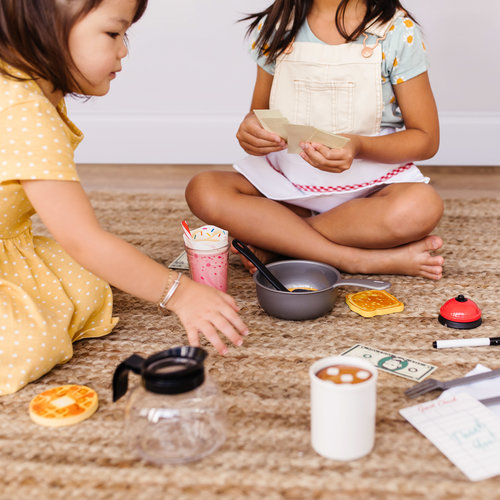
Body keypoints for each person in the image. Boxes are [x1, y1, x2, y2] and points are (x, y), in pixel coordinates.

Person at [0, 0, 248, 395]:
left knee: (88, 285)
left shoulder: (29, 90)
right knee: (31, 341)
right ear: (42, 28)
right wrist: (180, 293)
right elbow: (82, 239)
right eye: (113, 33)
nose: (124, 49)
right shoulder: (23, 111)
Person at [186, 0, 444, 280]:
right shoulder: (278, 25)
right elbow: (259, 114)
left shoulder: (396, 31)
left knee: (422, 206)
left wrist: (358, 146)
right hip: (288, 186)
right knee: (204, 189)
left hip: (370, 190)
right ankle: (356, 260)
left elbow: (426, 139)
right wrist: (251, 130)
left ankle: (280, 244)